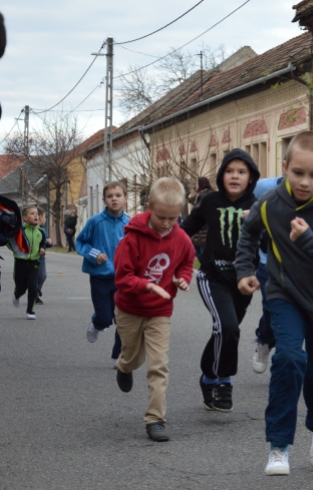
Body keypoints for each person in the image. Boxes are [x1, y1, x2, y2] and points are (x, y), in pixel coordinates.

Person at [235, 131, 313, 476]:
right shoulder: (272, 202)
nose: (305, 181)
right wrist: (245, 270)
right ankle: (278, 445)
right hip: (284, 292)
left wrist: (308, 240)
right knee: (289, 357)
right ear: (285, 167)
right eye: (298, 173)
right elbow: (248, 232)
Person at [113, 177, 195, 442]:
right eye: (162, 217)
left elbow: (186, 261)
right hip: (129, 308)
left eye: (174, 218)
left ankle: (155, 419)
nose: (168, 224)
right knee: (133, 357)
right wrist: (147, 286)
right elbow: (122, 278)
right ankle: (124, 368)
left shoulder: (180, 238)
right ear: (149, 207)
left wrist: (183, 278)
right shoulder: (132, 239)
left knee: (158, 364)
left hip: (161, 310)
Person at [180, 149, 260, 412]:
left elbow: (270, 241)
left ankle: (207, 376)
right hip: (212, 276)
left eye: (241, 172)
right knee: (227, 327)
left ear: (251, 177)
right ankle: (222, 381)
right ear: (221, 175)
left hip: (243, 281)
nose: (234, 176)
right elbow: (186, 230)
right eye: (229, 171)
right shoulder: (211, 201)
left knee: (226, 331)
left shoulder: (258, 205)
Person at [76, 182, 129, 367]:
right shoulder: (95, 221)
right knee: (105, 317)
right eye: (110, 196)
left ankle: (118, 356)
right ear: (104, 200)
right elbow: (80, 243)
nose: (114, 198)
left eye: (118, 195)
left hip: (123, 280)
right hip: (100, 278)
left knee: (123, 320)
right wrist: (94, 254)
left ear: (126, 199)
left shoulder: (130, 224)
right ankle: (97, 324)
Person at [248, 176, 284, 374]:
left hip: (298, 267)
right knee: (272, 309)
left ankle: (284, 358)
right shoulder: (263, 187)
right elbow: (250, 222)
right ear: (286, 167)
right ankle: (264, 341)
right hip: (266, 261)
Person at [10, 205, 45, 319]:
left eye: (36, 213)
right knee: (21, 286)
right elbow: (9, 243)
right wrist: (20, 249)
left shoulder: (40, 232)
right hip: (20, 262)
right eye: (32, 213)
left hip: (34, 263)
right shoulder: (20, 231)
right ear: (25, 217)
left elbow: (42, 244)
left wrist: (42, 249)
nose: (36, 215)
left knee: (33, 286)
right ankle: (17, 294)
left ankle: (31, 311)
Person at [190, 177, 213, 257]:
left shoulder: (205, 196)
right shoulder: (199, 196)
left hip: (204, 233)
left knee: (204, 257)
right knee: (199, 256)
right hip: (199, 233)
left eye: (196, 183)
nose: (195, 185)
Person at [35, 209, 53, 305]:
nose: (45, 219)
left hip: (41, 257)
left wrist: (49, 242)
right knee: (32, 276)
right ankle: (35, 294)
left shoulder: (43, 230)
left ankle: (36, 292)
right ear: (41, 217)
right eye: (45, 217)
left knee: (42, 275)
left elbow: (47, 243)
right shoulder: (28, 230)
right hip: (32, 257)